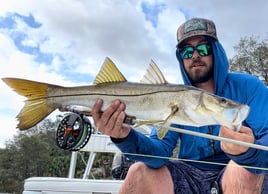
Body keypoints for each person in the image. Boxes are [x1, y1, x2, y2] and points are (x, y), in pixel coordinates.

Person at [91, 18, 268, 194]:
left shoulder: (249, 87)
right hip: (188, 174)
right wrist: (124, 137)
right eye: (187, 52)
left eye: (203, 48)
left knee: (246, 169)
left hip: (235, 172)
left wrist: (247, 153)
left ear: (215, 51)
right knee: (138, 172)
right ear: (180, 58)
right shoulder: (174, 97)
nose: (195, 55)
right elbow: (158, 154)